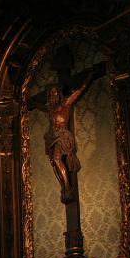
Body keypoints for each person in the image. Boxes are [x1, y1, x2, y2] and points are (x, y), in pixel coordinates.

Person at [43, 71, 94, 203]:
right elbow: (37, 106)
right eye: (51, 93)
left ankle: (67, 186)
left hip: (63, 135)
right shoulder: (50, 109)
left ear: (59, 93)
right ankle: (63, 186)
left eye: (55, 92)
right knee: (54, 162)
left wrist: (89, 77)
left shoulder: (65, 102)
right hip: (52, 137)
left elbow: (79, 91)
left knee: (56, 158)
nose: (53, 95)